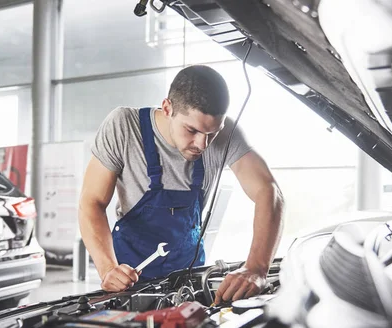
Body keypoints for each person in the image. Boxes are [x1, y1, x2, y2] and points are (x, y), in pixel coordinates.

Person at [78, 65, 284, 304]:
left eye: (212, 133)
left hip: (188, 279)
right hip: (126, 282)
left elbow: (269, 192)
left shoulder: (226, 135)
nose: (203, 144)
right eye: (192, 130)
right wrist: (107, 269)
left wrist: (257, 267)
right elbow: (91, 202)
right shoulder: (124, 126)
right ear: (167, 108)